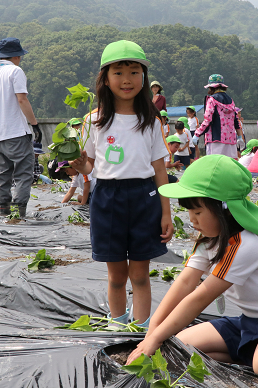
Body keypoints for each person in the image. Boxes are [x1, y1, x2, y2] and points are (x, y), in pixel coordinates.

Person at [126, 155, 258, 386]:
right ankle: (253, 356)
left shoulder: (248, 244)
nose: (192, 220)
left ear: (224, 209)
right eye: (189, 213)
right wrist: (151, 336)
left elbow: (200, 296)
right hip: (251, 321)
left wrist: (155, 338)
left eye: (198, 212)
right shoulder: (210, 241)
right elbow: (184, 284)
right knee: (177, 347)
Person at [70, 40, 174, 329]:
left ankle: (139, 329)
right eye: (118, 72)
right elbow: (91, 165)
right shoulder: (94, 120)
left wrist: (167, 213)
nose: (126, 80)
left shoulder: (150, 121)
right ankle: (117, 327)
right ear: (105, 78)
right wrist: (80, 167)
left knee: (140, 274)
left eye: (134, 72)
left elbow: (160, 169)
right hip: (107, 198)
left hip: (144, 197)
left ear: (143, 78)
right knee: (116, 275)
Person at [0, 37, 42, 218]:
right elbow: (22, 99)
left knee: (3, 174)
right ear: (15, 56)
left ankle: (3, 210)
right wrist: (35, 125)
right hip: (16, 131)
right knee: (24, 173)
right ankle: (18, 213)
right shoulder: (15, 72)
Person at [193, 74, 244, 159]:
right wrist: (239, 137)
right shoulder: (231, 100)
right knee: (229, 165)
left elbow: (208, 119)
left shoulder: (212, 100)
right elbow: (236, 120)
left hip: (215, 138)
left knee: (215, 165)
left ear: (211, 87)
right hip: (230, 140)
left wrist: (197, 134)